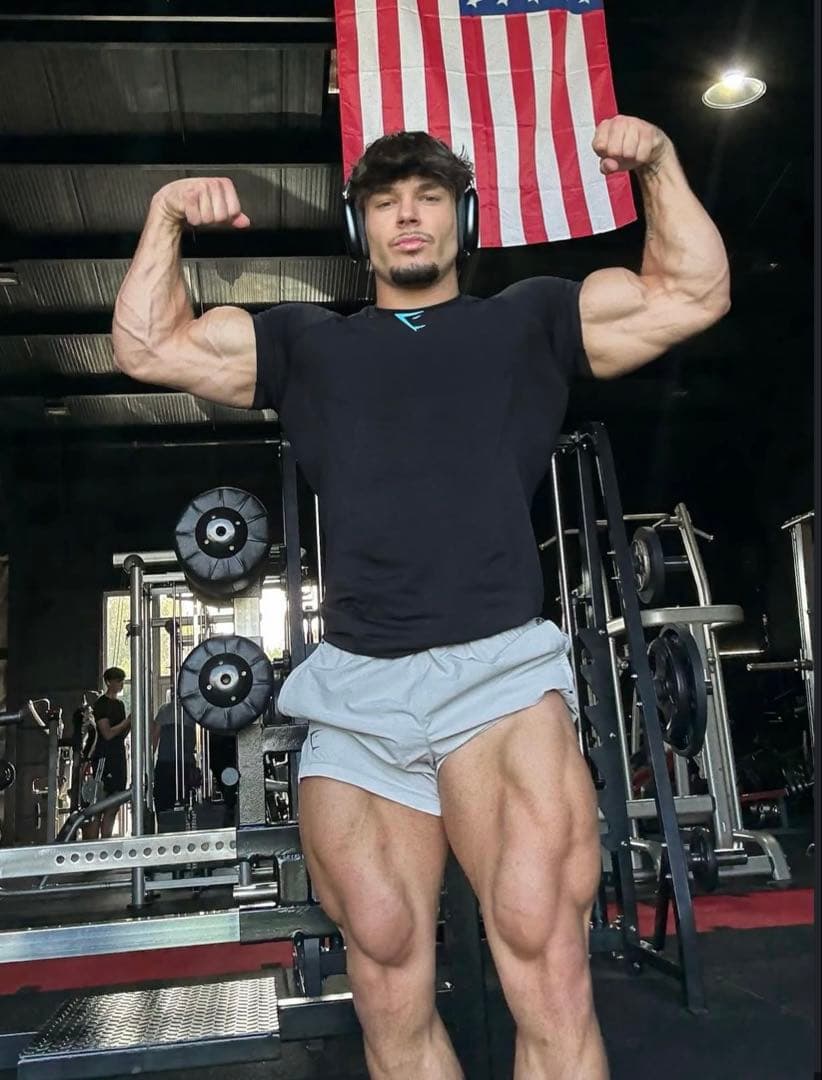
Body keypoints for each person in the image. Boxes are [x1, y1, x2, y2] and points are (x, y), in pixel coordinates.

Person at [112, 116, 729, 1079]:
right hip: (357, 688)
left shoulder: (530, 319)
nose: (407, 216)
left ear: (463, 218)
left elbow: (692, 291)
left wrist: (657, 164)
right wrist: (164, 217)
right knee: (386, 954)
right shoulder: (303, 341)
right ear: (358, 227)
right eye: (385, 202)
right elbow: (148, 347)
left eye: (430, 198)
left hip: (499, 676)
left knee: (543, 951)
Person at [85, 667, 131, 839]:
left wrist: (130, 724)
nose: (121, 685)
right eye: (118, 681)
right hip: (104, 758)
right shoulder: (101, 705)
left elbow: (120, 734)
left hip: (118, 757)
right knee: (98, 805)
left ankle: (107, 840)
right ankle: (93, 844)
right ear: (109, 682)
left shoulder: (120, 705)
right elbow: (107, 733)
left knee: (114, 804)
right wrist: (126, 722)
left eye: (122, 681)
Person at [150, 695, 199, 814]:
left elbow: (154, 737)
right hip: (185, 763)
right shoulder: (192, 710)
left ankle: (164, 821)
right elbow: (194, 739)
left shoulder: (164, 710)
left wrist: (149, 760)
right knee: (186, 800)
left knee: (163, 802)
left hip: (166, 763)